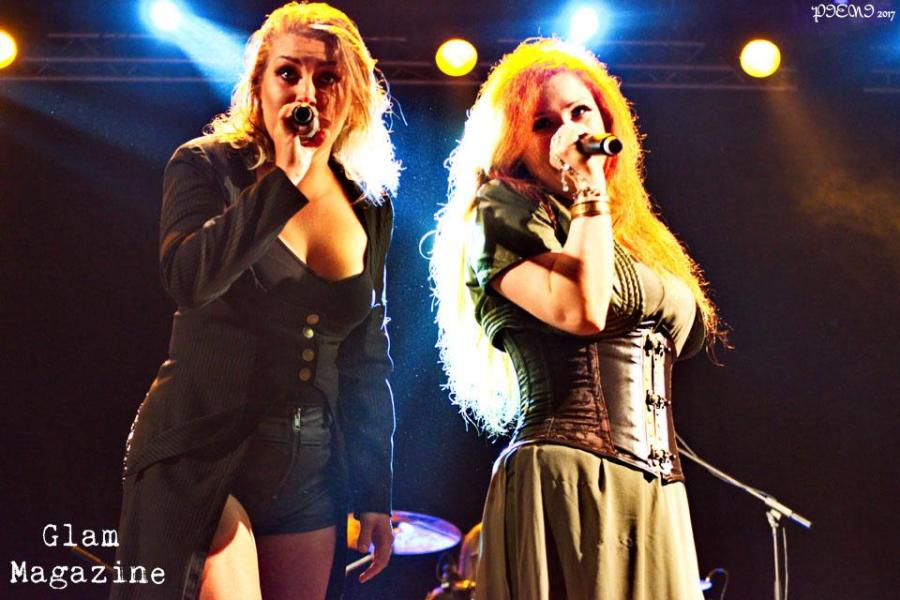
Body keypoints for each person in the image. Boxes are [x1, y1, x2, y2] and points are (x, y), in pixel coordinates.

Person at [111, 3, 400, 599]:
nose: (307, 93)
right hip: (204, 450)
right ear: (259, 85)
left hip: (310, 472)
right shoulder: (207, 167)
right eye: (288, 73)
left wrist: (375, 491)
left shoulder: (368, 205)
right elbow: (190, 278)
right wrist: (283, 180)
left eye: (327, 78)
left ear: (353, 94)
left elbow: (366, 358)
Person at [430, 38, 728, 600]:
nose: (567, 132)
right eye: (542, 124)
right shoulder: (503, 208)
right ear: (515, 144)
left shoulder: (626, 232)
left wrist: (594, 203)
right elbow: (580, 310)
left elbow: (684, 330)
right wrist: (588, 188)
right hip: (568, 477)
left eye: (579, 113)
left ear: (606, 123)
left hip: (657, 489)